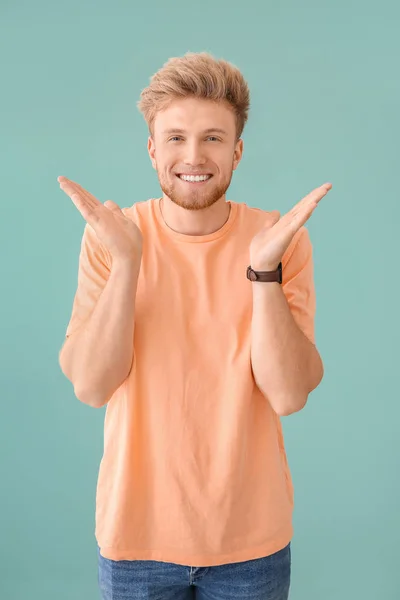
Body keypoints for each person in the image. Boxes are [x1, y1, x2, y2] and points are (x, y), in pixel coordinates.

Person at [58, 51, 332, 600]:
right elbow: (91, 385)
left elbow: (288, 394)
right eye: (176, 137)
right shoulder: (113, 236)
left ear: (237, 150)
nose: (194, 155)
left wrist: (264, 272)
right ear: (153, 148)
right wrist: (129, 262)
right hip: (136, 542)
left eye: (212, 138)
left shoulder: (277, 240)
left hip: (250, 546)